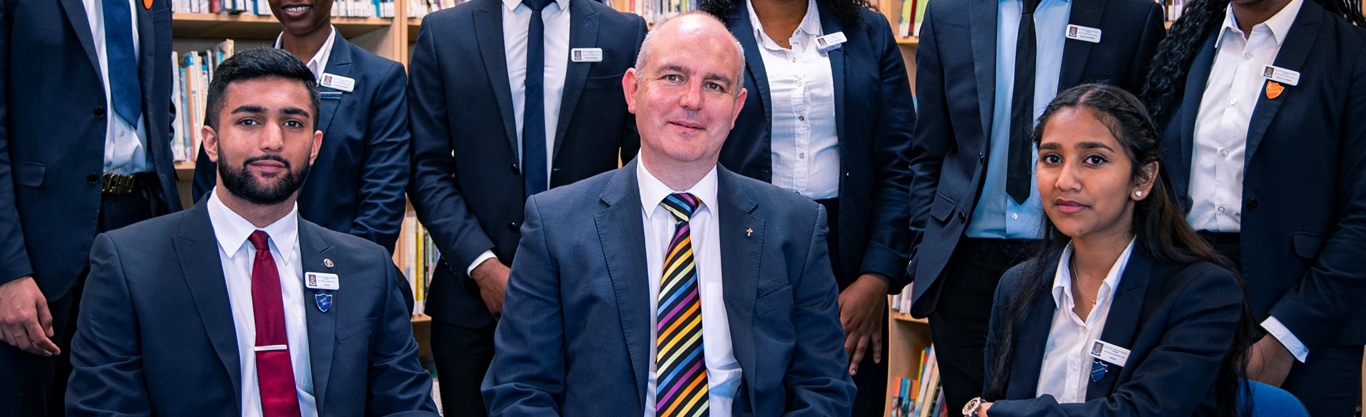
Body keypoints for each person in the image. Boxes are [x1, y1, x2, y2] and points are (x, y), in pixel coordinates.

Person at [481, 12, 855, 416]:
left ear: (736, 109)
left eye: (714, 85)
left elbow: (823, 389)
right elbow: (519, 391)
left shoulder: (796, 227)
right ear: (632, 90)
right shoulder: (555, 227)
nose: (692, 100)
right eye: (673, 77)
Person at [65, 47, 438, 417]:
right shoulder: (128, 265)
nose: (272, 141)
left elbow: (405, 406)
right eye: (249, 121)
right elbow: (104, 410)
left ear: (314, 146)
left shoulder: (366, 269)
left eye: (293, 123)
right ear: (210, 142)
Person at [905, 0, 1167, 409]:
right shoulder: (949, 12)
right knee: (972, 405)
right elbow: (927, 150)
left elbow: (1145, 144)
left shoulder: (1130, 15)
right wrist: (925, 247)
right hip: (963, 264)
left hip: (1075, 257)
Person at [405, 0, 646, 413]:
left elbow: (643, 162)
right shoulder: (443, 33)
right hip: (471, 307)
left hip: (591, 299)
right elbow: (425, 168)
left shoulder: (624, 33)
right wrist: (484, 268)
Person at [969, 84, 1254, 417]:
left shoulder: (1204, 292)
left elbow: (1143, 412)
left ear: (1143, 179)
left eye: (1094, 159)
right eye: (1052, 158)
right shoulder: (1017, 287)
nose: (1066, 180)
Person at [1141, 0, 1366, 414]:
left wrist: (1286, 337)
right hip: (1187, 297)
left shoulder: (1350, 52)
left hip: (1307, 310)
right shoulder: (1186, 45)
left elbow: (1362, 218)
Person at [699, 0, 914, 412]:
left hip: (849, 259)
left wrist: (877, 276)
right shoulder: (710, 33)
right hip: (740, 247)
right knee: (748, 392)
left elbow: (898, 161)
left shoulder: (869, 32)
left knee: (843, 394)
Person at [0, 0, 182, 414]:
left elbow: (158, 108)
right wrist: (7, 272)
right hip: (40, 240)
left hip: (143, 223)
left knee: (128, 398)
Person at [190, 0, 410, 253]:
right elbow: (210, 182)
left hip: (341, 266)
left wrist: (348, 272)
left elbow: (383, 197)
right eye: (250, 121)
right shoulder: (237, 78)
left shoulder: (379, 78)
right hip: (243, 260)